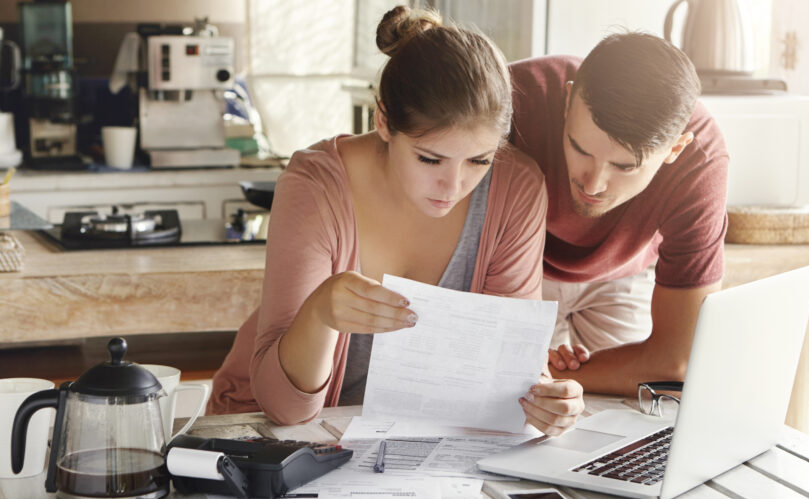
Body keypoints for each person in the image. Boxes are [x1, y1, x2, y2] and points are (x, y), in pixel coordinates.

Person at [209, 6, 585, 436]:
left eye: (479, 160)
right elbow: (284, 408)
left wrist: (545, 400)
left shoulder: (516, 188)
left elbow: (506, 373)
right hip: (275, 434)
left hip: (425, 442)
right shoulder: (313, 186)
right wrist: (319, 314)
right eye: (430, 158)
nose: (454, 185)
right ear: (383, 120)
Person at [508, 33, 729, 395]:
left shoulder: (702, 162)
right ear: (567, 101)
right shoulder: (510, 98)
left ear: (675, 149)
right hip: (517, 265)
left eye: (624, 167)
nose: (593, 185)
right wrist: (516, 371)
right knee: (504, 409)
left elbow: (676, 364)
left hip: (624, 272)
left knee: (632, 415)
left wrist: (542, 374)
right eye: (579, 148)